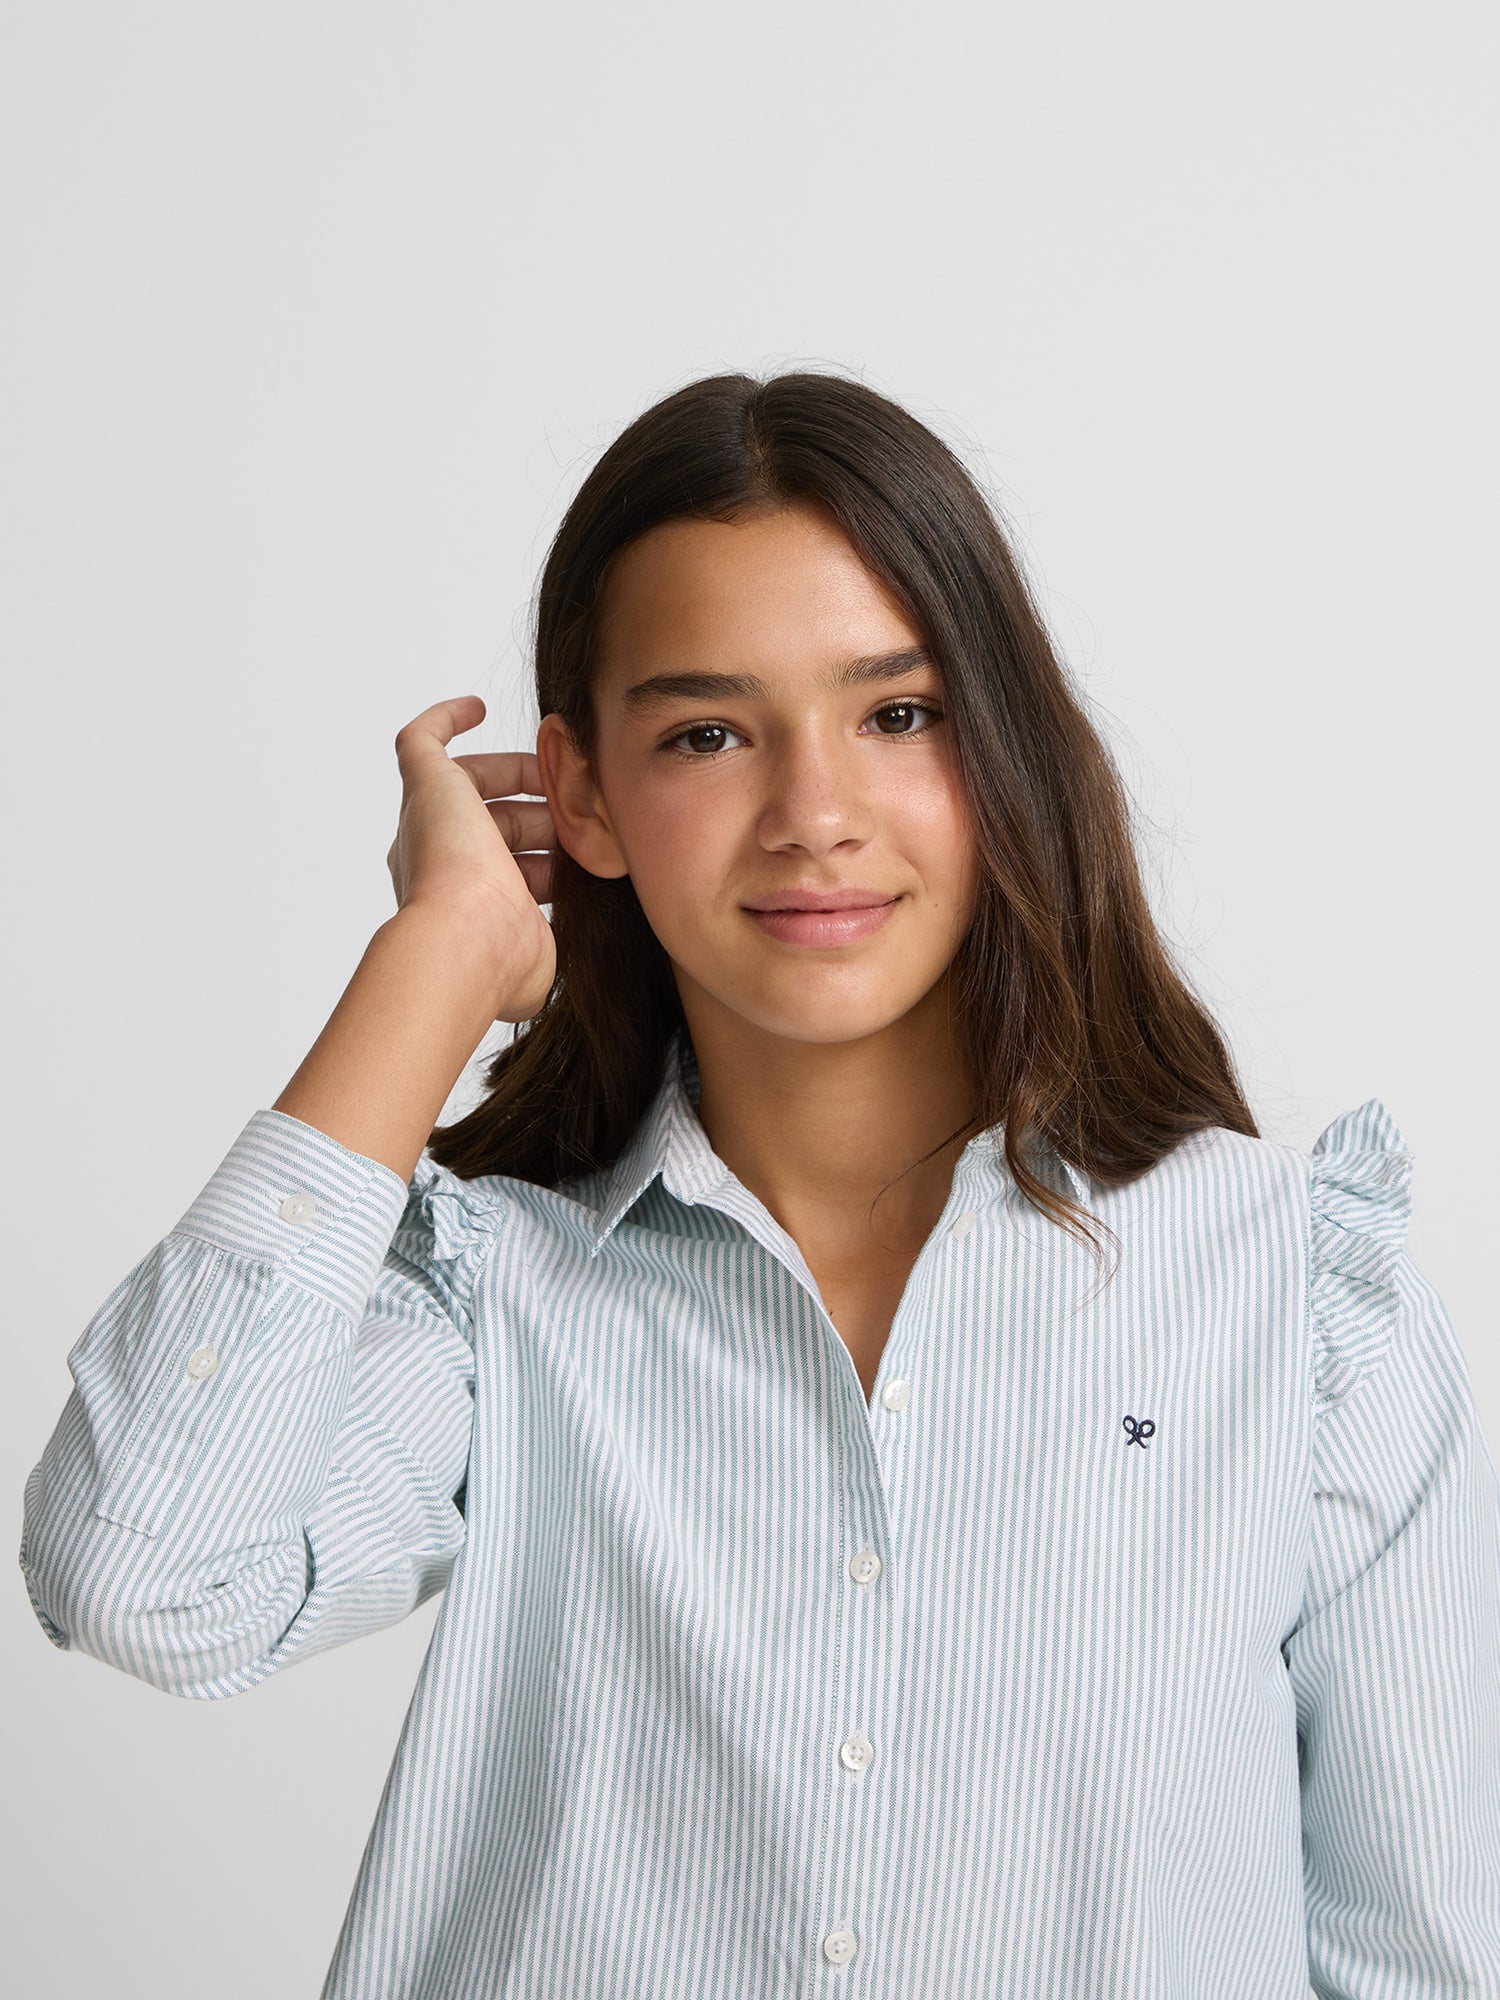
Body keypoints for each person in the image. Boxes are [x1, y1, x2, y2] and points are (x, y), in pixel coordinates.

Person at [19, 370, 1500, 1997]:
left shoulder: (1294, 1297)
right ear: (582, 794)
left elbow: (1426, 1952)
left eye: (898, 714)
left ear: (1005, 747)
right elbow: (149, 1578)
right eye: (708, 733)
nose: (813, 816)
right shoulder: (494, 1288)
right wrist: (433, 962)